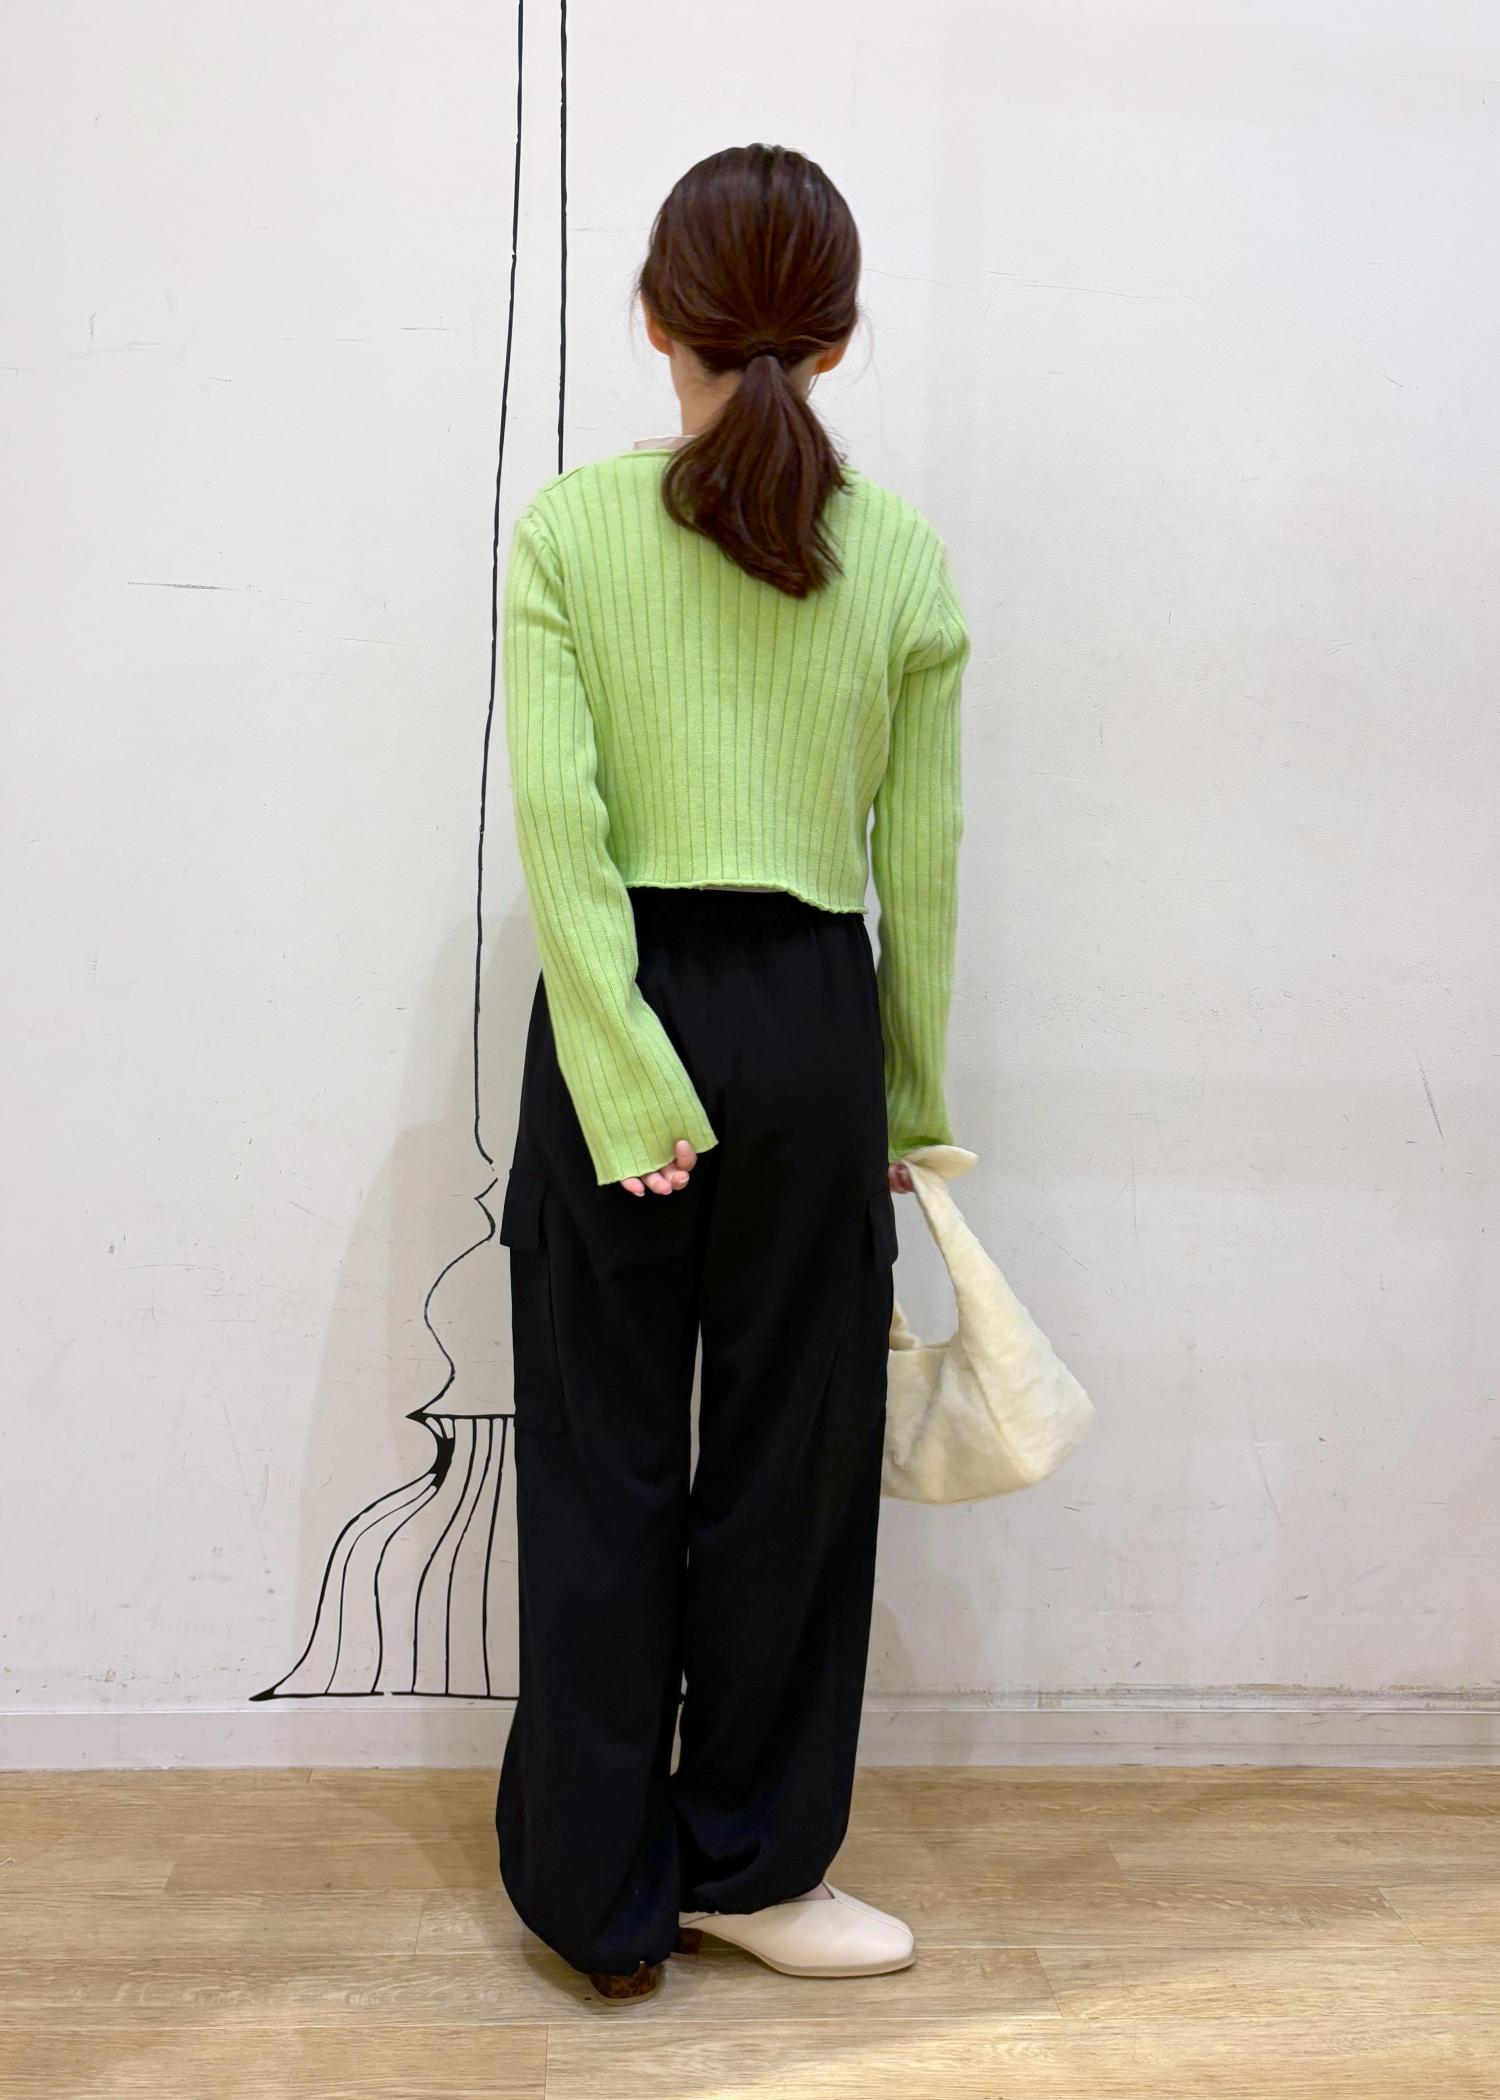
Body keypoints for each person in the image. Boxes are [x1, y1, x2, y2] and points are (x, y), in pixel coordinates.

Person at [494, 142, 969, 2003]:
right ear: (834, 341)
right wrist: (906, 1106)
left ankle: (598, 1894)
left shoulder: (571, 530)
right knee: (792, 1471)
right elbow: (920, 861)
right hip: (808, 1025)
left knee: (598, 1461)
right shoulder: (899, 552)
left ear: (653, 316)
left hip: (622, 1007)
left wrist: (621, 1071)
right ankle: (758, 1871)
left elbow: (562, 831)